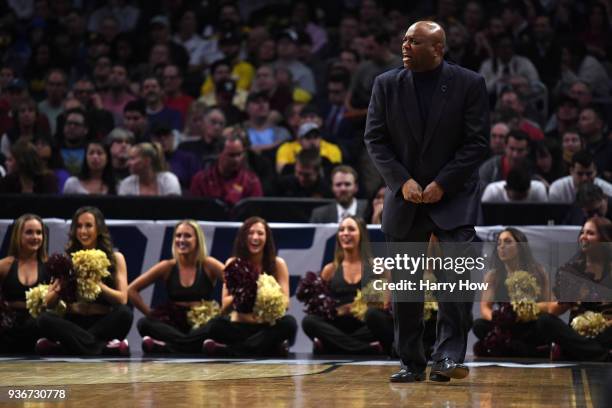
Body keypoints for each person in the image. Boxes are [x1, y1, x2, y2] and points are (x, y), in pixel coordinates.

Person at [364, 21, 489, 383]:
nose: (405, 45)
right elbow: (375, 140)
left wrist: (442, 183)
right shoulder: (385, 84)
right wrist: (401, 181)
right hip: (405, 197)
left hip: (454, 198)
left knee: (455, 283)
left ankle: (448, 357)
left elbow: (477, 143)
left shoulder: (469, 83)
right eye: (403, 39)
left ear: (438, 48)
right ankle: (411, 361)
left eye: (414, 41)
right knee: (406, 288)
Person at [37, 207, 133, 355]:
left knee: (125, 314)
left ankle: (66, 347)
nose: (83, 231)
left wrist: (98, 285)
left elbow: (122, 299)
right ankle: (102, 347)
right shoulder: (67, 258)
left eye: (88, 226)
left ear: (99, 229)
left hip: (102, 322)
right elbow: (49, 303)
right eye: (79, 226)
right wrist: (60, 286)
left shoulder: (115, 258)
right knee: (44, 318)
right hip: (74, 322)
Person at [204, 217, 297, 356]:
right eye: (250, 233)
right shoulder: (233, 263)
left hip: (266, 326)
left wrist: (267, 294)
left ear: (267, 238)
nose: (255, 237)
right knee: (214, 325)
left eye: (260, 233)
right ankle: (270, 348)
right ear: (243, 237)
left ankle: (230, 351)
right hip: (239, 326)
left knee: (289, 323)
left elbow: (286, 303)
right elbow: (224, 306)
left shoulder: (278, 264)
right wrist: (244, 290)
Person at [128, 220, 224, 353]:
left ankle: (167, 347)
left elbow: (235, 283)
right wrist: (150, 313)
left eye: (187, 236)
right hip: (173, 325)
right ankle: (193, 346)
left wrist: (224, 310)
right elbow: (132, 290)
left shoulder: (208, 264)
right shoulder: (167, 266)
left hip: (201, 324)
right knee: (144, 323)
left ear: (198, 240)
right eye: (178, 236)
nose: (181, 240)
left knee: (219, 324)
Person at [302, 216, 382, 354]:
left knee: (379, 319)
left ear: (361, 234)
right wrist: (339, 311)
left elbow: (382, 305)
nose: (345, 233)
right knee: (309, 321)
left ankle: (331, 345)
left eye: (351, 229)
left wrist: (354, 308)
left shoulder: (376, 267)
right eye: (341, 230)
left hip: (364, 326)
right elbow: (319, 306)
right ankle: (365, 349)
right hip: (337, 325)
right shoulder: (330, 270)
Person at [537, 217, 612, 361]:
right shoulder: (571, 271)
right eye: (582, 232)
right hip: (578, 332)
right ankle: (601, 355)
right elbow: (555, 310)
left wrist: (603, 323)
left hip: (607, 331)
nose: (583, 237)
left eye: (590, 233)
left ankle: (585, 351)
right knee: (545, 321)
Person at [473, 228, 551, 357]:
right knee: (479, 325)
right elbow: (485, 308)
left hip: (529, 322)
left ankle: (509, 348)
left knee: (546, 322)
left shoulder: (538, 271)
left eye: (508, 242)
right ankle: (524, 349)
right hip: (506, 325)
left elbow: (548, 304)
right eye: (499, 243)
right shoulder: (493, 276)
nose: (502, 246)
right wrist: (500, 318)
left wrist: (525, 310)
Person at [0, 214, 49, 352]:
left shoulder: (50, 266)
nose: (35, 237)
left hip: (38, 328)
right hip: (8, 329)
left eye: (39, 232)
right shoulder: (5, 265)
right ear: (18, 236)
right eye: (29, 232)